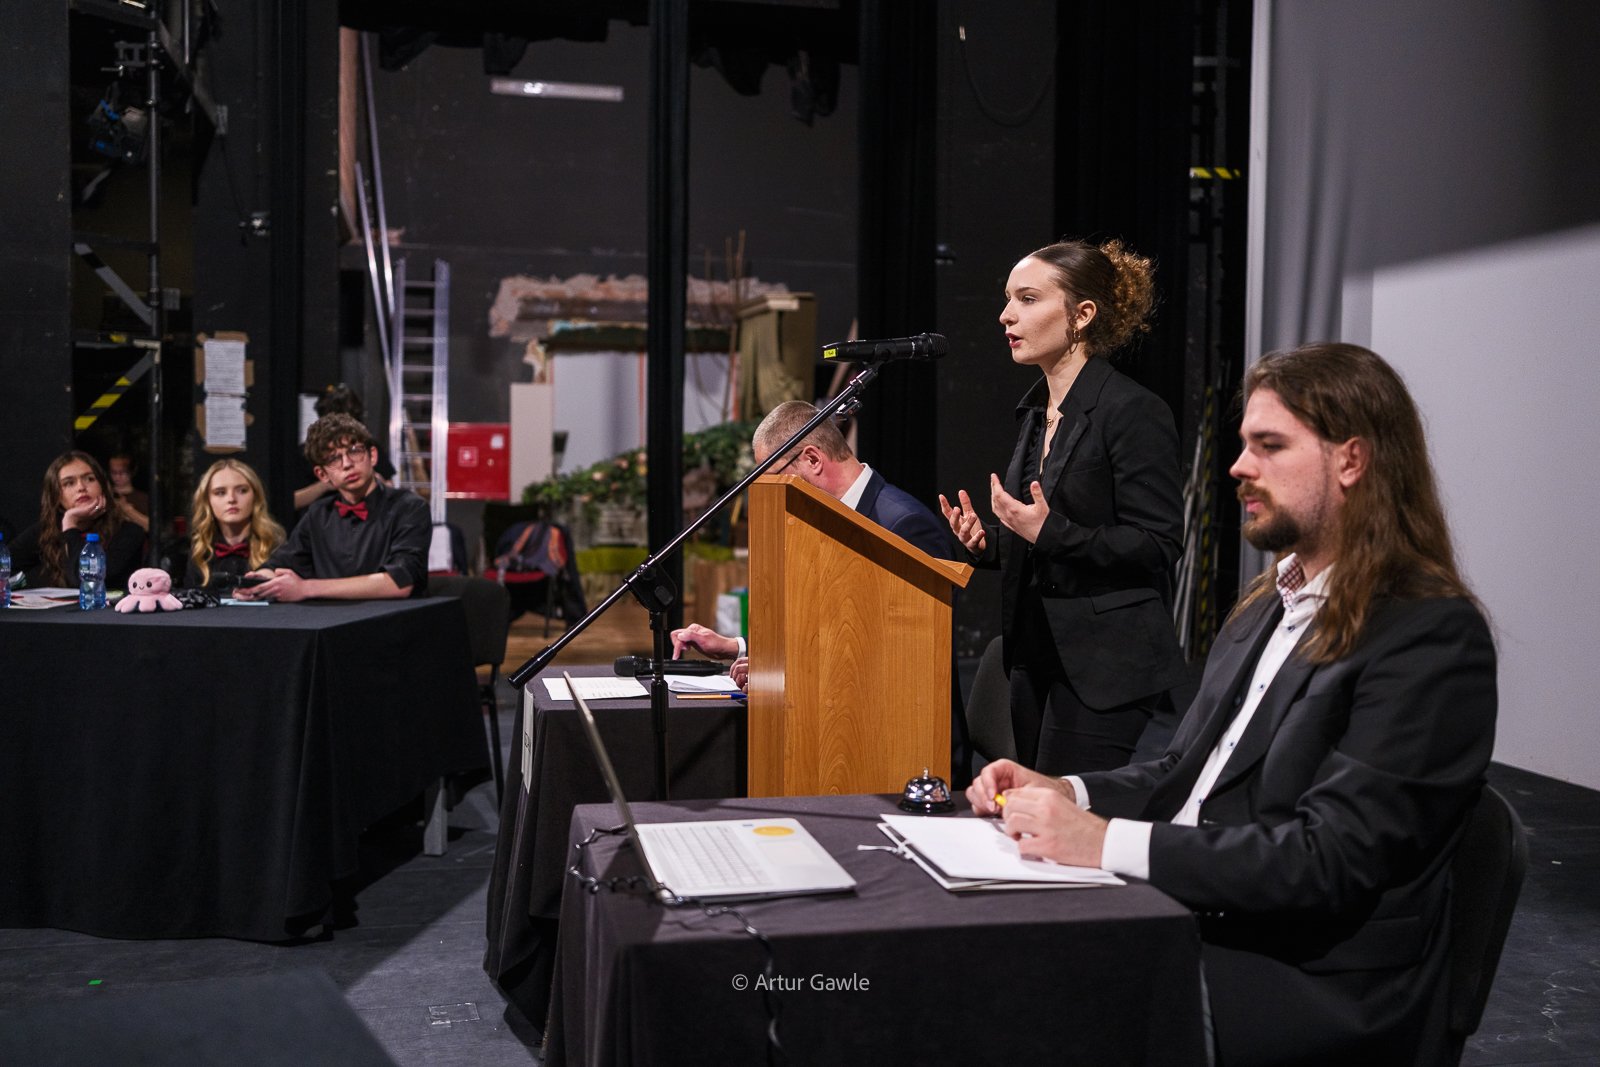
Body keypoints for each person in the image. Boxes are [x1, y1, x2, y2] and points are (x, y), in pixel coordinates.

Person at [968, 343, 1496, 1064]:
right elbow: (1182, 771)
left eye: (1269, 446)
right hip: (1194, 914)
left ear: (1352, 460)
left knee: (1015, 998)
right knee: (970, 948)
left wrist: (1099, 841)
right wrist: (1069, 790)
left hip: (1309, 982)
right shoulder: (1265, 606)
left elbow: (1328, 859)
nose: (1238, 467)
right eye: (1244, 445)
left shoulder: (1428, 633)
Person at [940, 238, 1186, 775]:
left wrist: (1048, 532)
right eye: (1008, 299)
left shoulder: (1132, 410)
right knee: (1029, 802)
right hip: (1035, 655)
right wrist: (987, 543)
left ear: (1082, 315)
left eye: (1027, 299)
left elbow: (1159, 543)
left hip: (1105, 664)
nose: (1006, 315)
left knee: (1061, 809)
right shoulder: (1037, 413)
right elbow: (1040, 537)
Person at [671, 400, 968, 773]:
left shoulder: (903, 524)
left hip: (907, 751)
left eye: (773, 475)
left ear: (812, 459)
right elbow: (829, 627)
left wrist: (787, 674)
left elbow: (904, 657)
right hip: (843, 739)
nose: (771, 492)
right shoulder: (826, 521)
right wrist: (740, 648)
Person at [237, 413, 429, 601]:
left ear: (372, 455)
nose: (347, 464)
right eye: (333, 459)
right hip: (330, 621)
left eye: (354, 451)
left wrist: (306, 588)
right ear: (322, 475)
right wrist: (257, 583)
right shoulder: (319, 513)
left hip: (390, 619)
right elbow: (281, 563)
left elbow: (399, 583)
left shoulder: (410, 508)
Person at [11, 451, 146, 591]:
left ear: (103, 486)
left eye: (90, 479)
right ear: (56, 495)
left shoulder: (129, 532)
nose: (81, 487)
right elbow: (5, 564)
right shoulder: (46, 531)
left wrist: (70, 525)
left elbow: (87, 581)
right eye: (69, 483)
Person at [184, 459, 285, 592]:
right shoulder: (199, 551)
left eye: (242, 490)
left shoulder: (276, 546)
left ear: (256, 497)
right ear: (207, 501)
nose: (231, 499)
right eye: (220, 492)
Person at [293, 384, 395, 511]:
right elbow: (293, 501)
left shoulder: (368, 446)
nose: (346, 464)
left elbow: (390, 490)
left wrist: (375, 481)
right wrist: (324, 485)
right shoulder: (308, 453)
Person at [106, 449, 151, 532]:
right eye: (113, 472)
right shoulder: (105, 495)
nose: (117, 476)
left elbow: (151, 527)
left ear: (132, 471)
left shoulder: (143, 498)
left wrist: (127, 510)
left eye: (122, 472)